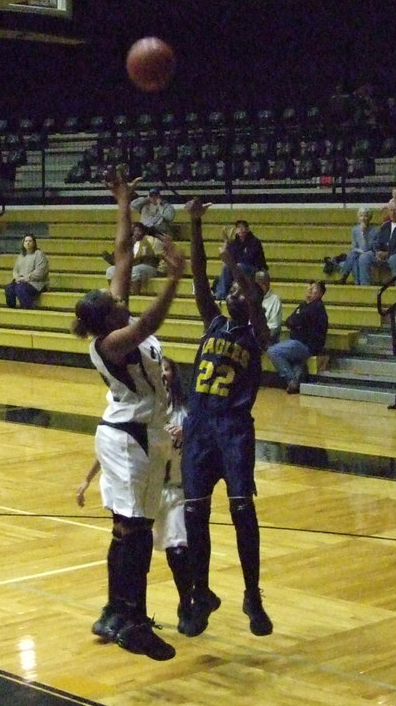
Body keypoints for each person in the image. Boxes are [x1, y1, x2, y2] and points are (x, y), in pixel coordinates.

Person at [70, 168, 187, 661]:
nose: (120, 299)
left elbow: (121, 255)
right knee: (136, 529)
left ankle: (114, 612)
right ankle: (133, 621)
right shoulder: (114, 341)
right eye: (114, 303)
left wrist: (124, 203)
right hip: (133, 438)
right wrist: (175, 277)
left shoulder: (108, 320)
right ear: (108, 319)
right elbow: (150, 321)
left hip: (125, 433)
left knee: (124, 526)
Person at [180, 196, 274, 638]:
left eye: (239, 289)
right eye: (232, 290)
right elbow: (200, 278)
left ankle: (252, 595)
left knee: (242, 511)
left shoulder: (258, 333)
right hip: (199, 427)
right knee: (194, 514)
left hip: (234, 430)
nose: (233, 293)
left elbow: (253, 301)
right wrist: (196, 225)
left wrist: (236, 264)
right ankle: (202, 593)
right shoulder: (213, 323)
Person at [77, 356, 195, 642]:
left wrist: (190, 433)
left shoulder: (185, 413)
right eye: (160, 369)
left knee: (176, 551)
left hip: (174, 490)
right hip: (145, 488)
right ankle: (125, 612)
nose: (163, 374)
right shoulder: (139, 410)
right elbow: (115, 444)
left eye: (167, 369)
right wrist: (87, 478)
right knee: (127, 541)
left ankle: (187, 606)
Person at [267, 281, 329, 394]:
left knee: (273, 351)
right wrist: (296, 321)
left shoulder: (317, 307)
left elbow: (297, 319)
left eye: (314, 288)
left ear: (320, 294)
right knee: (294, 360)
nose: (310, 289)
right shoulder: (303, 305)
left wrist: (296, 321)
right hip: (298, 343)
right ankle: (299, 376)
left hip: (307, 346)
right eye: (309, 287)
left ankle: (292, 380)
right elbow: (289, 321)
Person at [358, 198, 396, 286]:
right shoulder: (385, 225)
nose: (393, 213)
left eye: (395, 210)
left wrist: (388, 253)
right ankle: (365, 287)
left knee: (394, 258)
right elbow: (376, 241)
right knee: (364, 257)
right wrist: (377, 252)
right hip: (384, 255)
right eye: (391, 210)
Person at [212, 220, 266, 300]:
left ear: (248, 229)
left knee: (239, 266)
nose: (241, 229)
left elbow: (250, 259)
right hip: (238, 267)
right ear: (236, 230)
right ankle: (220, 293)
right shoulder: (234, 243)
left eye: (243, 227)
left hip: (254, 268)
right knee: (226, 267)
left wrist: (235, 263)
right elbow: (227, 258)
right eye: (238, 228)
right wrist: (226, 244)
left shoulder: (255, 242)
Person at [329, 207, 374, 284]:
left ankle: (344, 276)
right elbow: (354, 246)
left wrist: (364, 235)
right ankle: (356, 282)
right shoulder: (355, 230)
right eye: (361, 216)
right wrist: (358, 251)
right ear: (358, 218)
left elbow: (368, 247)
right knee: (354, 257)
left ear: (369, 218)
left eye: (365, 216)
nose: (363, 218)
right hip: (357, 253)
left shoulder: (374, 231)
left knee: (354, 256)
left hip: (369, 253)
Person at [4, 233, 49, 309]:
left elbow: (40, 273)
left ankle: (28, 309)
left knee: (20, 288)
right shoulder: (21, 255)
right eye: (26, 241)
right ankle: (11, 310)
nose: (28, 243)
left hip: (36, 283)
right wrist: (16, 278)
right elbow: (15, 270)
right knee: (9, 288)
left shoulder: (39, 254)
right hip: (21, 281)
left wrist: (25, 278)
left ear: (34, 243)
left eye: (30, 241)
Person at [253, 270, 283, 342]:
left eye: (261, 283)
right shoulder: (251, 298)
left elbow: (274, 327)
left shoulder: (275, 300)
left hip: (266, 341)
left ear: (266, 284)